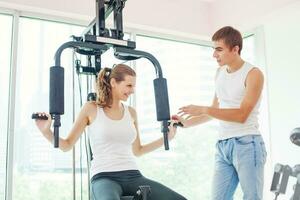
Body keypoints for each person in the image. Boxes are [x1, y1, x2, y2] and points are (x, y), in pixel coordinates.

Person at [35, 64, 186, 200]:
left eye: (133, 87)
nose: (132, 91)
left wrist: (167, 137)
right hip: (104, 177)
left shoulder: (131, 113)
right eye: (128, 85)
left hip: (133, 175)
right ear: (113, 83)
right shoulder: (91, 108)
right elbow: (66, 145)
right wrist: (46, 132)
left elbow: (138, 150)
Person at [175, 26, 267, 200]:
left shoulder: (253, 74)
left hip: (247, 143)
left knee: (252, 197)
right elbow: (214, 112)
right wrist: (185, 123)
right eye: (213, 49)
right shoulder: (219, 73)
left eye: (219, 49)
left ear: (235, 49)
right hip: (223, 145)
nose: (214, 55)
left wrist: (203, 109)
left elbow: (242, 115)